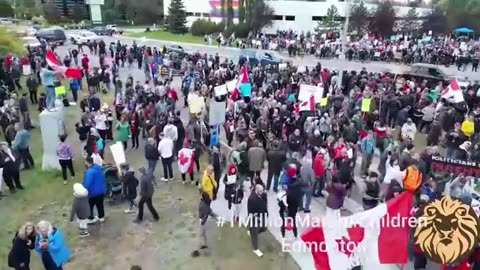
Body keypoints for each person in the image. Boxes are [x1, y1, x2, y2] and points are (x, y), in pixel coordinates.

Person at [83, 156, 106, 223]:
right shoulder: (98, 167)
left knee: (90, 205)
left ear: (87, 162)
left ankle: (91, 218)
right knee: (100, 204)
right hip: (101, 190)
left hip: (93, 192)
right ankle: (101, 217)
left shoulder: (90, 172)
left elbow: (87, 183)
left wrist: (84, 189)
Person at [247, 184, 268, 257]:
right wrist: (257, 217)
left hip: (262, 215)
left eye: (262, 191)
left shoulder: (263, 195)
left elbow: (264, 204)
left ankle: (251, 232)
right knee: (254, 234)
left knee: (264, 228)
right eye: (260, 191)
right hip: (254, 219)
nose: (262, 192)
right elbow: (250, 212)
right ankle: (255, 249)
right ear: (256, 190)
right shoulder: (251, 199)